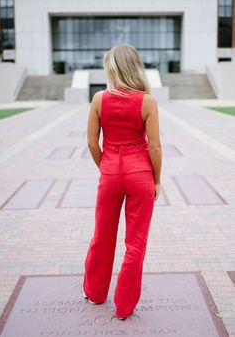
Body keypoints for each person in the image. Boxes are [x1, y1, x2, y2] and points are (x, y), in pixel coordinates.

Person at [82, 43, 162, 320]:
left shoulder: (98, 99)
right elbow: (155, 148)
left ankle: (95, 293)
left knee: (102, 236)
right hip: (139, 174)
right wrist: (157, 180)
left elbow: (92, 142)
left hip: (110, 173)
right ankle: (124, 307)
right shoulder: (147, 101)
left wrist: (105, 165)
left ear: (112, 68)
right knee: (135, 242)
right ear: (135, 68)